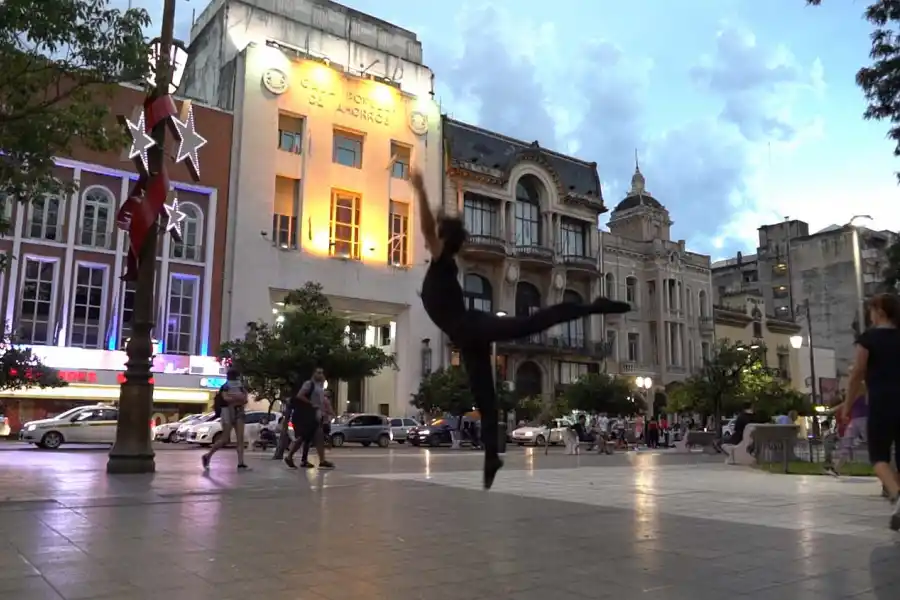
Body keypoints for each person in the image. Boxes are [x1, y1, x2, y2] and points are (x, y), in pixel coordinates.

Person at [412, 169, 631, 489]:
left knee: (530, 324)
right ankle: (491, 457)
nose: (431, 239)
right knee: (485, 396)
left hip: (470, 326)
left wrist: (419, 189)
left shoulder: (442, 259)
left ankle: (592, 306)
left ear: (443, 240)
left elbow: (427, 227)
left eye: (436, 236)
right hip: (466, 334)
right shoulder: (443, 263)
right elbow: (432, 230)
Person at [843, 293, 900, 530]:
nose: (869, 315)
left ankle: (897, 495)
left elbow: (858, 373)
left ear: (880, 312)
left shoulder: (870, 338)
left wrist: (847, 406)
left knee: (879, 457)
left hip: (881, 404)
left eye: (871, 310)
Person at [284, 367, 335, 470]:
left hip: (315, 415)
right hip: (307, 414)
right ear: (313, 374)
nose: (320, 375)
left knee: (318, 436)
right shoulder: (309, 384)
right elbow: (300, 395)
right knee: (303, 436)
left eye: (322, 373)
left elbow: (321, 401)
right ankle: (290, 456)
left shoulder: (320, 386)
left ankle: (322, 460)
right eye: (318, 373)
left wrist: (324, 412)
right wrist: (311, 404)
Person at [202, 369, 249, 470]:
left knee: (239, 438)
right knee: (225, 439)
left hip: (237, 412)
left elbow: (244, 399)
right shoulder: (226, 387)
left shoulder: (239, 386)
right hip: (228, 412)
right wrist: (238, 398)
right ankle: (208, 456)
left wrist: (233, 398)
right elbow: (227, 398)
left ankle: (241, 463)